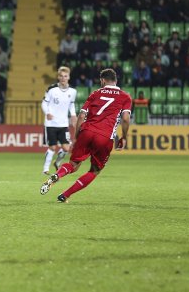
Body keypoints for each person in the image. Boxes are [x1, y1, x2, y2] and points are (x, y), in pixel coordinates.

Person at [40, 68, 132, 203]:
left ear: (102, 80)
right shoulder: (125, 97)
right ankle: (65, 195)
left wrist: (77, 136)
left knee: (73, 164)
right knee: (94, 170)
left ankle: (57, 175)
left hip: (87, 132)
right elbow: (125, 118)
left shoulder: (95, 94)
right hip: (105, 137)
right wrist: (124, 137)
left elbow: (82, 116)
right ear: (115, 81)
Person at [40, 66, 78, 175]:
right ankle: (45, 169)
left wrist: (74, 115)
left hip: (63, 123)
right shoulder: (51, 89)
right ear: (58, 77)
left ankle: (57, 163)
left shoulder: (72, 91)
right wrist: (47, 113)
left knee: (66, 148)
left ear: (69, 77)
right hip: (51, 123)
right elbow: (44, 103)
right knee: (52, 147)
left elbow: (71, 105)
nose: (63, 78)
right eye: (61, 76)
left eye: (65, 76)